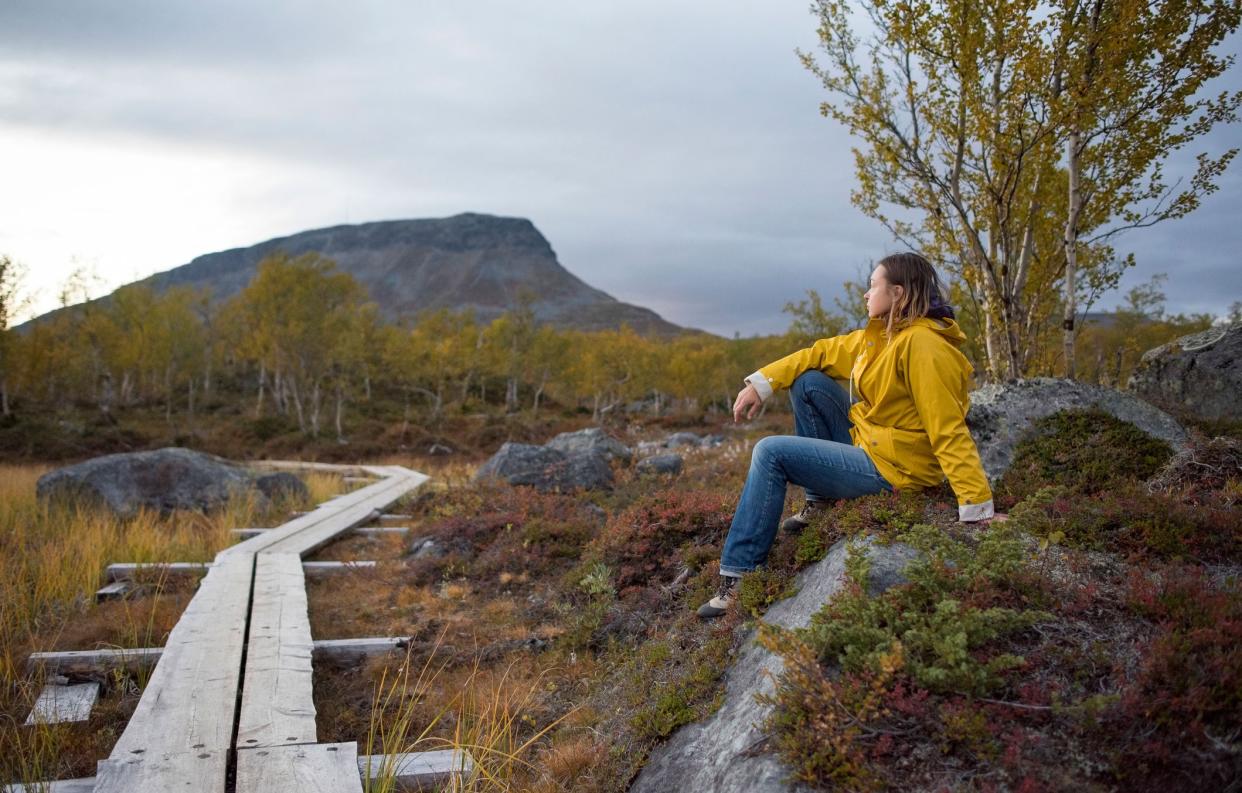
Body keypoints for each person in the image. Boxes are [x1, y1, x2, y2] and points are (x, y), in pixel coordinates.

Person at [697, 252, 1007, 619]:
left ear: (898, 293)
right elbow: (819, 353)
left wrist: (976, 506)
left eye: (873, 285)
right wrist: (761, 384)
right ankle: (820, 502)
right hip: (871, 447)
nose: (866, 293)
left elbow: (948, 428)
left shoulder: (924, 346)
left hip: (896, 469)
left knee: (770, 452)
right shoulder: (881, 338)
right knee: (809, 381)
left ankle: (739, 578)